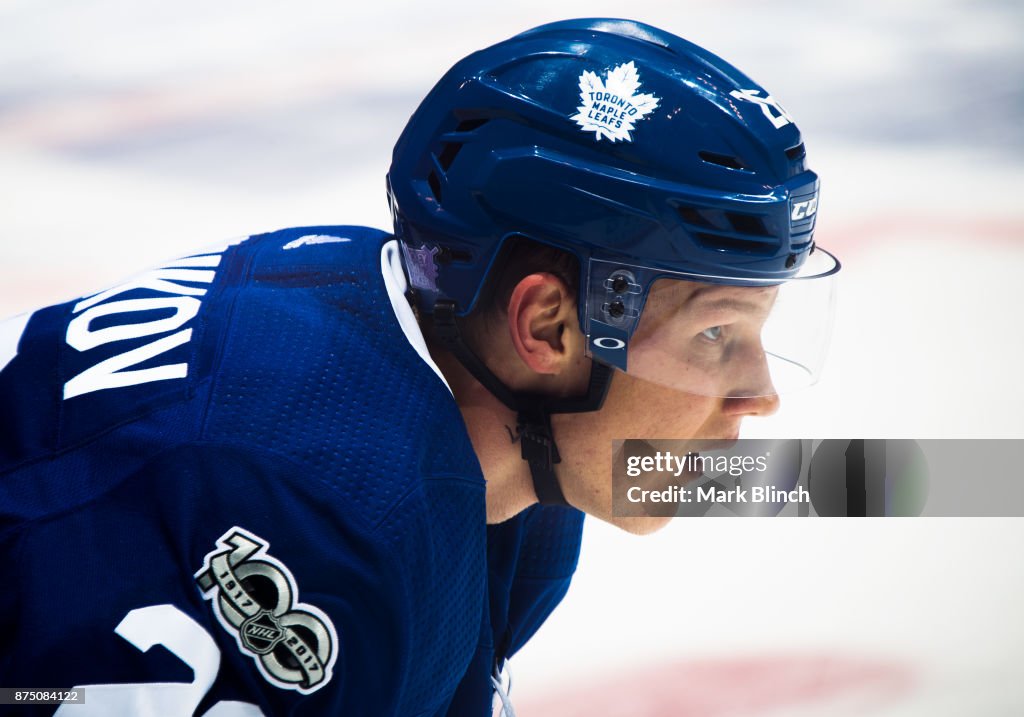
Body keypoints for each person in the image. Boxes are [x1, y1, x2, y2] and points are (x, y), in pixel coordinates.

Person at [0, 18, 839, 717]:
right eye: (715, 333)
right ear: (545, 325)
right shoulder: (334, 516)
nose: (758, 395)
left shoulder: (458, 406)